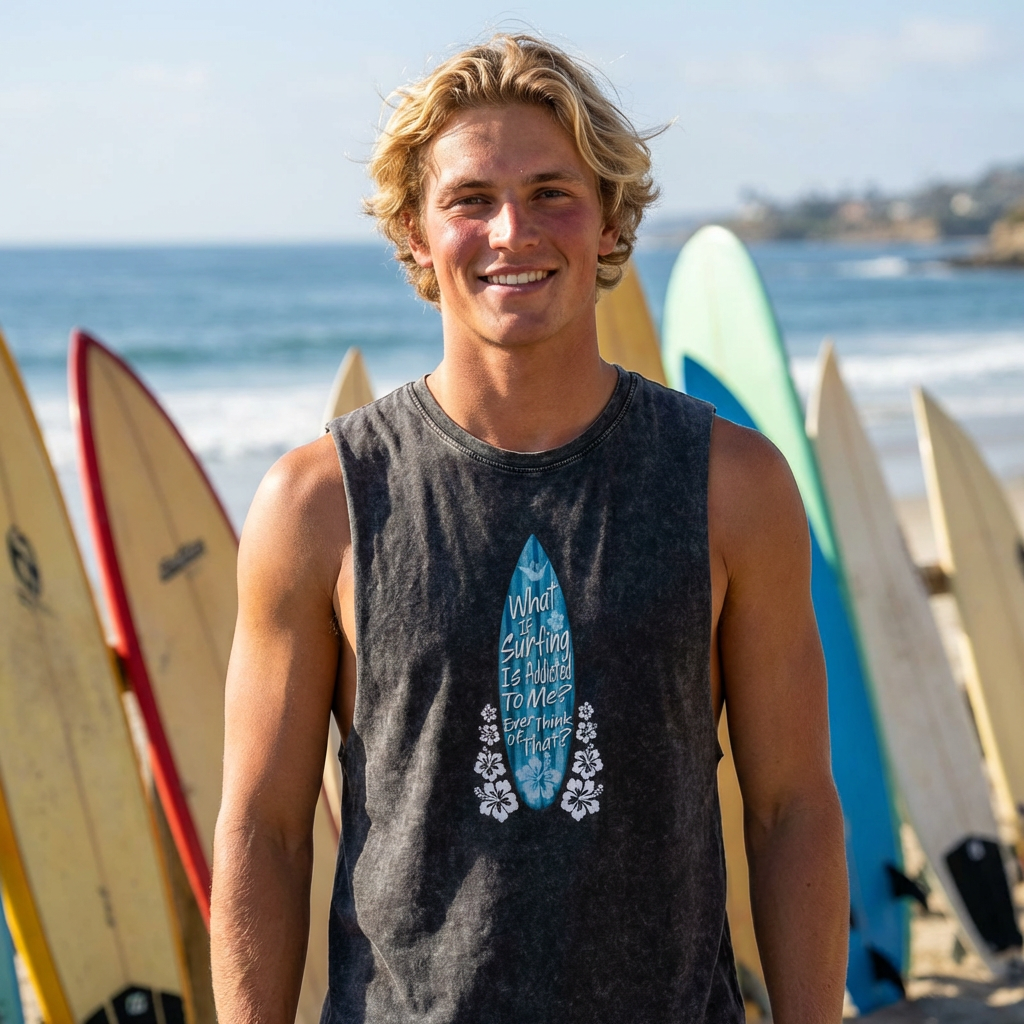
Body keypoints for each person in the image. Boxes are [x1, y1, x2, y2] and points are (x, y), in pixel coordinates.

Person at [211, 33, 848, 1024]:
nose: (512, 230)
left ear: (607, 224)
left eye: (552, 192)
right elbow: (264, 827)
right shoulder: (319, 503)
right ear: (417, 235)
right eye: (470, 199)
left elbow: (792, 806)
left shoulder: (731, 485)